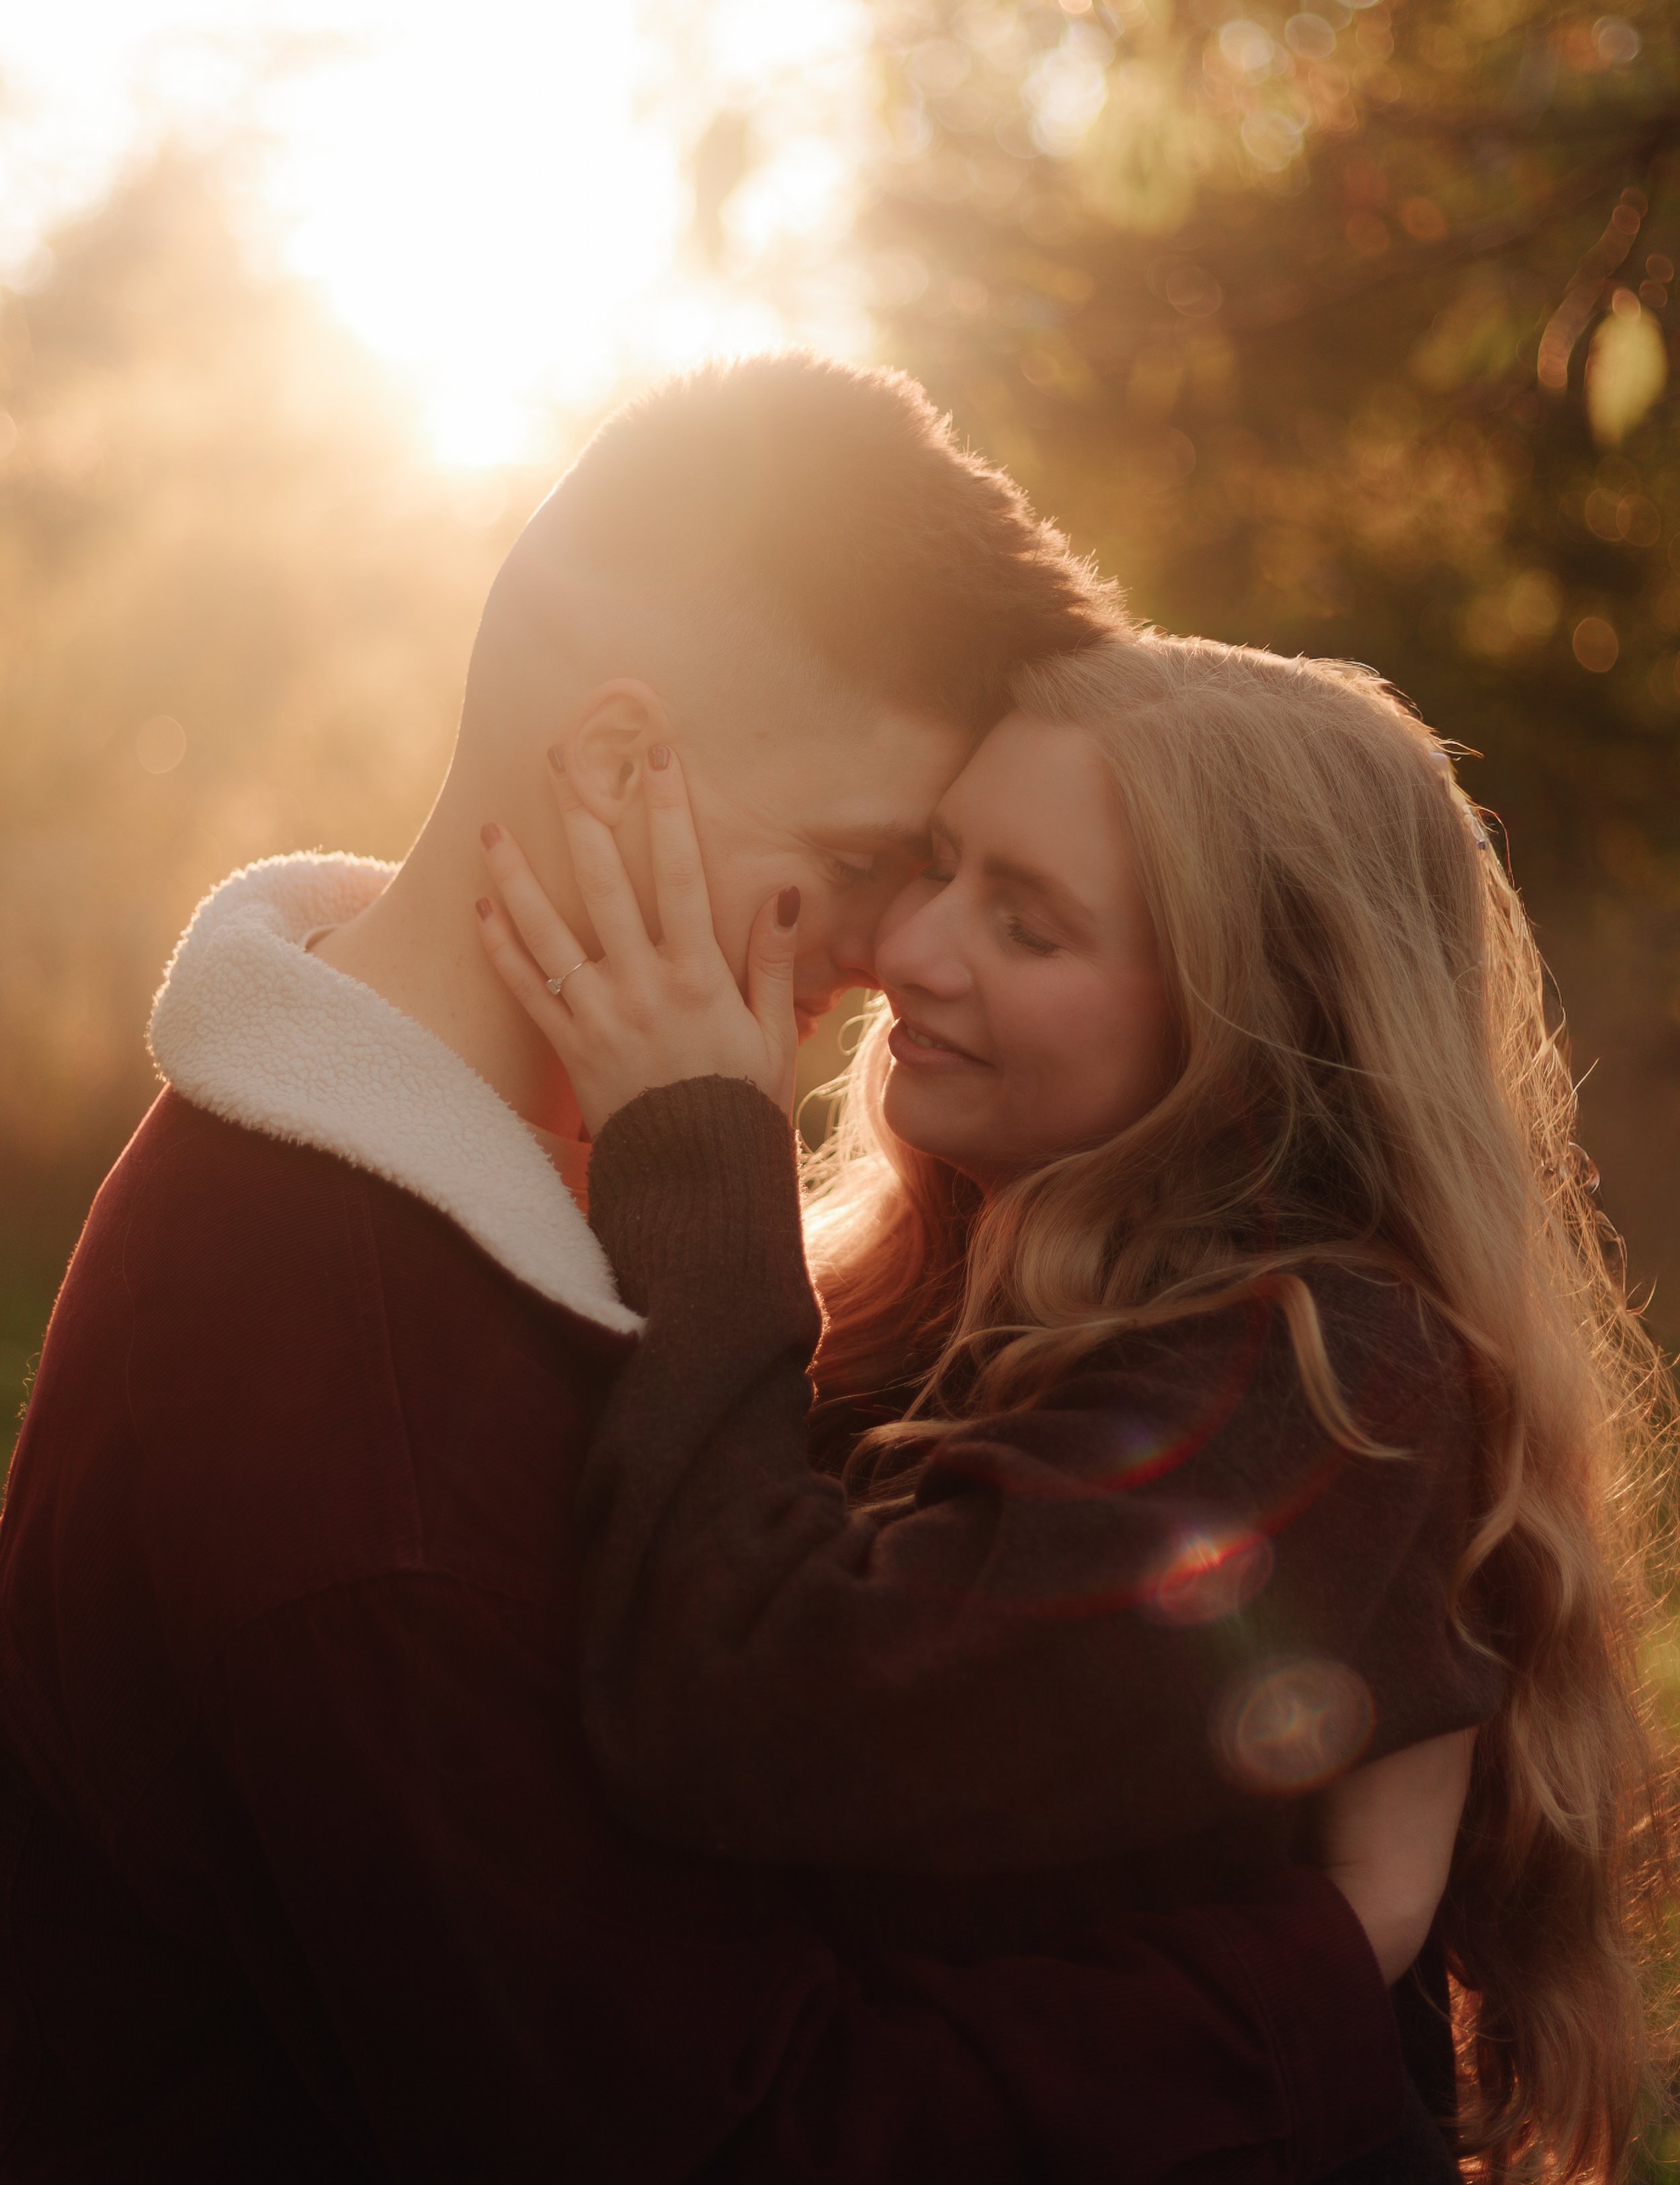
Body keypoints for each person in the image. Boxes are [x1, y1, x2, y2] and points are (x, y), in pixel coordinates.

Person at [0, 357, 1448, 2183]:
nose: (900, 943)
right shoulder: (354, 1415)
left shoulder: (576, 1188)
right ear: (617, 762)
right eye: (867, 860)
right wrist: (1310, 1967)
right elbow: (734, 2138)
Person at [474, 626, 1674, 2184]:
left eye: (1028, 923)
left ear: (1250, 1031)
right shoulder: (934, 1285)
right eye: (940, 864)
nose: (911, 946)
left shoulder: (1322, 1375)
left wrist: (696, 1158)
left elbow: (753, 1702)